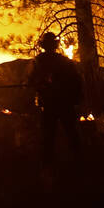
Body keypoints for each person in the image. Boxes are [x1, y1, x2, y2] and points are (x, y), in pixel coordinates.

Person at [27, 31, 83, 163]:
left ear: (43, 45)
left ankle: (49, 164)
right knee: (71, 133)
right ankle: (79, 161)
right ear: (55, 45)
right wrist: (76, 99)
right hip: (65, 103)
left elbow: (30, 81)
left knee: (48, 136)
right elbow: (77, 80)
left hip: (49, 104)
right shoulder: (64, 61)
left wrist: (38, 86)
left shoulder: (38, 61)